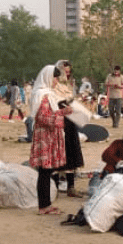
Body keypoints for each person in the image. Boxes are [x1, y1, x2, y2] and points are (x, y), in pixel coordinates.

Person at [29, 65, 73, 215]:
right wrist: (62, 114)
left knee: (46, 172)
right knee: (44, 171)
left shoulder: (46, 94)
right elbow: (42, 117)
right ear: (48, 77)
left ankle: (46, 204)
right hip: (45, 137)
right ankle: (43, 206)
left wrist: (61, 112)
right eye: (54, 78)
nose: (56, 81)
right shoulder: (43, 95)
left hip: (48, 135)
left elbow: (49, 114)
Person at [54, 60, 84, 198]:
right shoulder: (52, 85)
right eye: (64, 70)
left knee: (71, 151)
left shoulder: (70, 85)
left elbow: (72, 100)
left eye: (68, 71)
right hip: (58, 120)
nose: (67, 73)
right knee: (58, 152)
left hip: (70, 120)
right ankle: (53, 187)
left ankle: (71, 187)